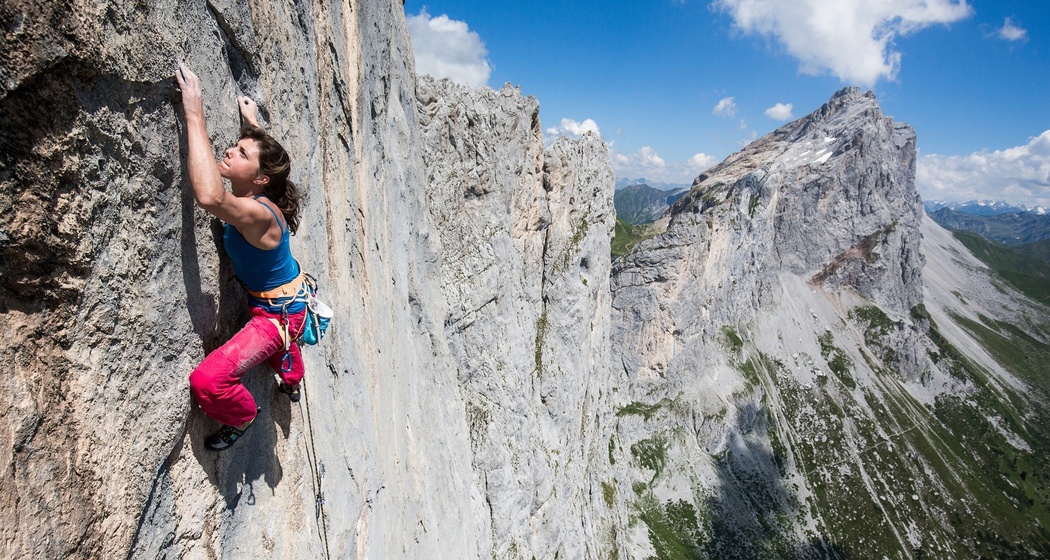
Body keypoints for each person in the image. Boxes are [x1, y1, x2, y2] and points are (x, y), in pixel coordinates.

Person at [176, 63, 308, 451]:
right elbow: (264, 165)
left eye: (241, 152)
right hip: (282, 297)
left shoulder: (260, 214)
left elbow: (210, 197)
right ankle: (291, 376)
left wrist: (193, 113)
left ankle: (243, 415)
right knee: (282, 347)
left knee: (207, 381)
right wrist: (252, 124)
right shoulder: (257, 193)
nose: (231, 149)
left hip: (277, 314)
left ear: (260, 178)